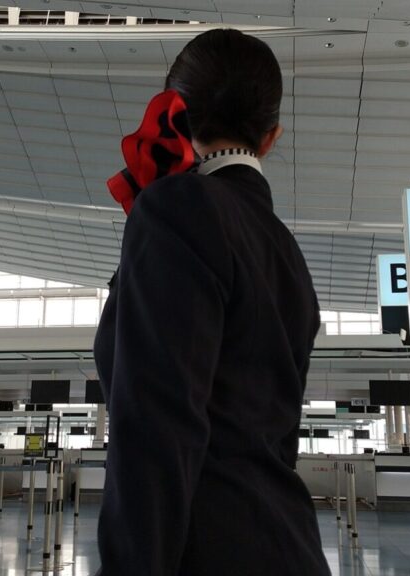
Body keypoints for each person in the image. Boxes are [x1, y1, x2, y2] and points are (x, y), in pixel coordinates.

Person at [93, 29, 332, 575]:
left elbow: (156, 425)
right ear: (270, 137)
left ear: (173, 113)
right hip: (288, 545)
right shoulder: (285, 251)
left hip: (206, 549)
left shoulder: (177, 207)